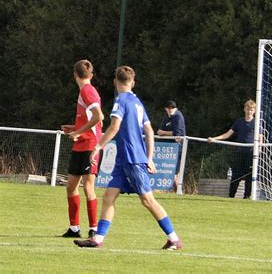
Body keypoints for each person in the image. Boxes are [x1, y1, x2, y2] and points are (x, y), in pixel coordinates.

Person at [74, 65, 182, 250]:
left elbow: (114, 127)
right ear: (132, 82)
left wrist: (98, 147)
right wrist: (149, 156)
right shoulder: (137, 102)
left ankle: (173, 239)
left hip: (132, 159)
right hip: (124, 160)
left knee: (147, 200)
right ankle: (97, 239)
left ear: (115, 82)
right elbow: (148, 130)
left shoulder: (121, 100)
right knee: (108, 197)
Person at [60, 59, 104, 239]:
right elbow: (90, 119)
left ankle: (93, 228)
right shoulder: (85, 91)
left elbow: (99, 117)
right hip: (81, 144)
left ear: (74, 75)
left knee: (88, 186)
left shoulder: (88, 91)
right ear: (91, 75)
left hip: (90, 145)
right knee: (71, 186)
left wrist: (78, 131)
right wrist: (75, 127)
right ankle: (74, 228)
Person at [208, 99, 260, 199]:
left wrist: (259, 149)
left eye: (251, 110)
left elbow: (261, 137)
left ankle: (247, 197)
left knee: (249, 177)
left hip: (251, 153)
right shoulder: (239, 122)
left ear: (254, 111)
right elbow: (227, 134)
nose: (249, 111)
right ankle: (231, 196)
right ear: (244, 109)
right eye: (248, 109)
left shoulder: (256, 123)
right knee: (236, 175)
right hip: (239, 153)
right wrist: (214, 138)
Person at [157, 100, 186, 191]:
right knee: (169, 173)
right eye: (169, 108)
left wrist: (164, 133)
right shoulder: (166, 117)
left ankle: (179, 191)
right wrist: (166, 133)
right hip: (167, 149)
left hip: (177, 148)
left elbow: (177, 134)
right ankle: (176, 191)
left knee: (174, 173)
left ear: (176, 108)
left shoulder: (178, 116)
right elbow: (158, 131)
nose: (170, 110)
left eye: (172, 108)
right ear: (165, 109)